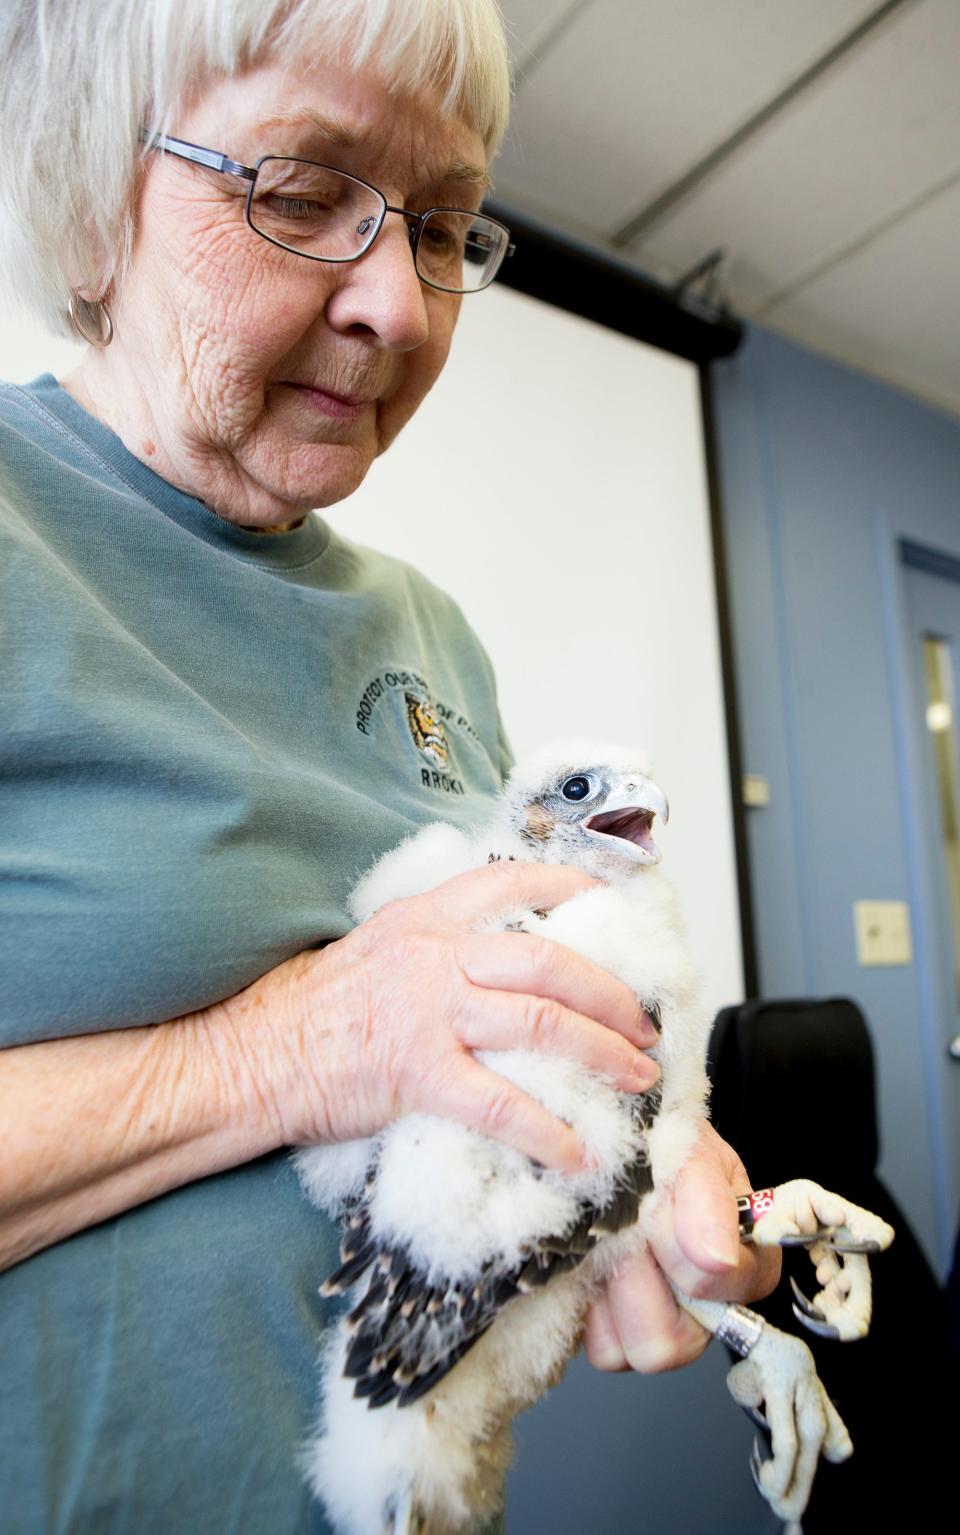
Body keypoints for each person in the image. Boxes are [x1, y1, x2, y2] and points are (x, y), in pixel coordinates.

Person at [0, 2, 779, 1530]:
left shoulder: (429, 637)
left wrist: (640, 1159)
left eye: (444, 226)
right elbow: (357, 1038)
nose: (404, 310)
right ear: (96, 190)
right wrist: (279, 1055)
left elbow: (468, 1038)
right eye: (301, 193)